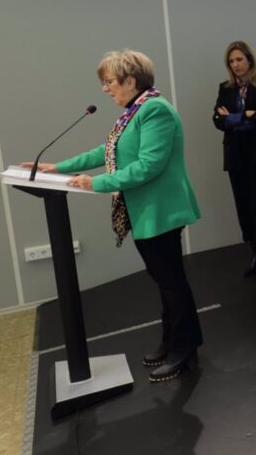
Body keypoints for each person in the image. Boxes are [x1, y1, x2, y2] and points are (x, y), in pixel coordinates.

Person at [23, 50, 203, 382]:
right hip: (145, 211)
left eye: (108, 82)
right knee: (165, 282)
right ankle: (172, 340)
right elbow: (106, 151)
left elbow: (149, 165)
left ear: (130, 80)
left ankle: (185, 349)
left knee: (172, 283)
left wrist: (98, 183)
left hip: (160, 211)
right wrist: (58, 167)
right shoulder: (133, 112)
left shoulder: (155, 111)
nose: (105, 89)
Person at [213, 41, 256, 291]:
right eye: (231, 61)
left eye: (239, 59)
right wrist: (244, 116)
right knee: (243, 207)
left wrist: (232, 118)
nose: (236, 65)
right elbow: (217, 120)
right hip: (236, 157)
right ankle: (255, 254)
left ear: (249, 60)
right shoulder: (226, 88)